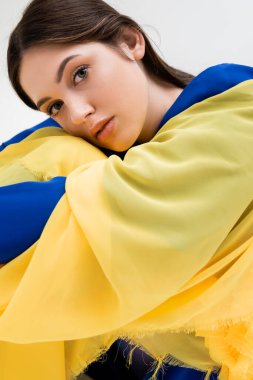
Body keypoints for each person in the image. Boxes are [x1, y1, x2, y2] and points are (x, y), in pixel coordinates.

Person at [0, 0, 253, 379]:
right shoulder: (85, 152)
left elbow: (122, 197)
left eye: (80, 73)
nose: (77, 113)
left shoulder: (236, 108)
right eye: (54, 106)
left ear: (131, 42)